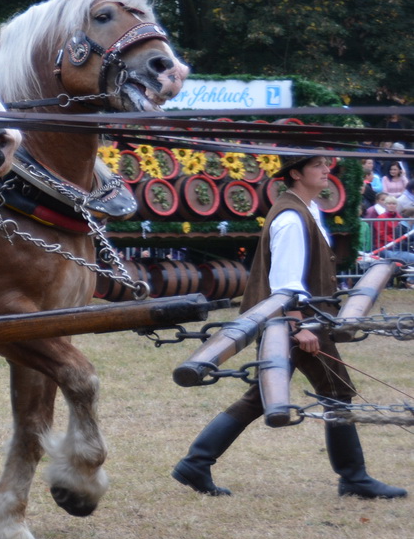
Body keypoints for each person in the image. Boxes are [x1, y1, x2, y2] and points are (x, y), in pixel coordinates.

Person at [172, 154, 405, 500]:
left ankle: (196, 462)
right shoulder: (292, 218)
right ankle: (354, 477)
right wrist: (299, 327)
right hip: (296, 321)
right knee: (336, 392)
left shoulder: (306, 209)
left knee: (262, 396)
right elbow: (285, 283)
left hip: (299, 320)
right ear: (295, 173)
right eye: (317, 166)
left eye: (326, 164)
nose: (326, 170)